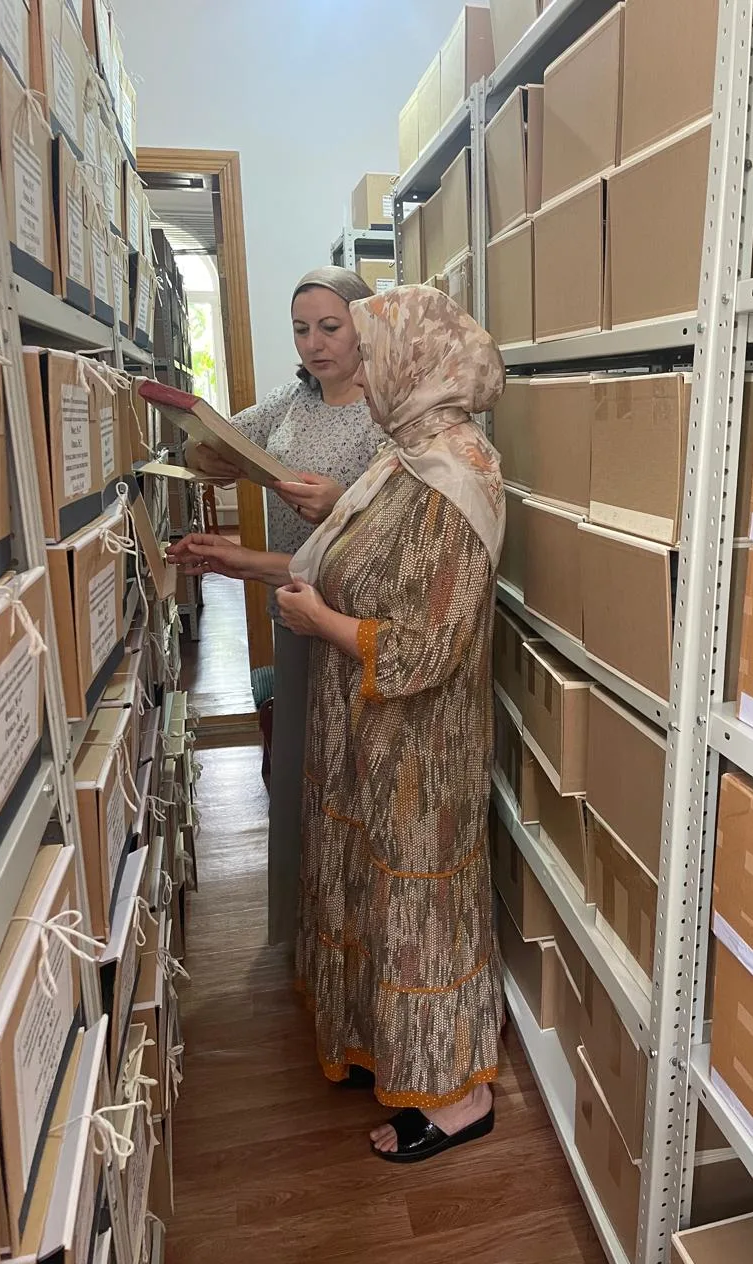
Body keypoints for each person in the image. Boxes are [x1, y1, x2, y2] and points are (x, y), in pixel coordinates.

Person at [168, 286, 506, 1162]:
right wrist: (249, 564)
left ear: (417, 361)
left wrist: (319, 623)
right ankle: (392, 1049)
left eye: (374, 347)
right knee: (381, 897)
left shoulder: (453, 476)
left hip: (418, 745)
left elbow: (429, 646)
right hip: (373, 729)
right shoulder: (410, 456)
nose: (362, 364)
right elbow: (349, 562)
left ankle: (459, 1096)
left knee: (423, 906)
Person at [185, 267, 384, 948]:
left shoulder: (388, 411)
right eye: (301, 330)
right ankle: (312, 925)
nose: (314, 344)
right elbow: (213, 446)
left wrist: (342, 504)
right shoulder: (289, 404)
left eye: (330, 327)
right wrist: (209, 455)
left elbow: (405, 525)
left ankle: (355, 925)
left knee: (354, 770)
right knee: (305, 771)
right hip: (293, 604)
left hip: (356, 616)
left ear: (366, 325)